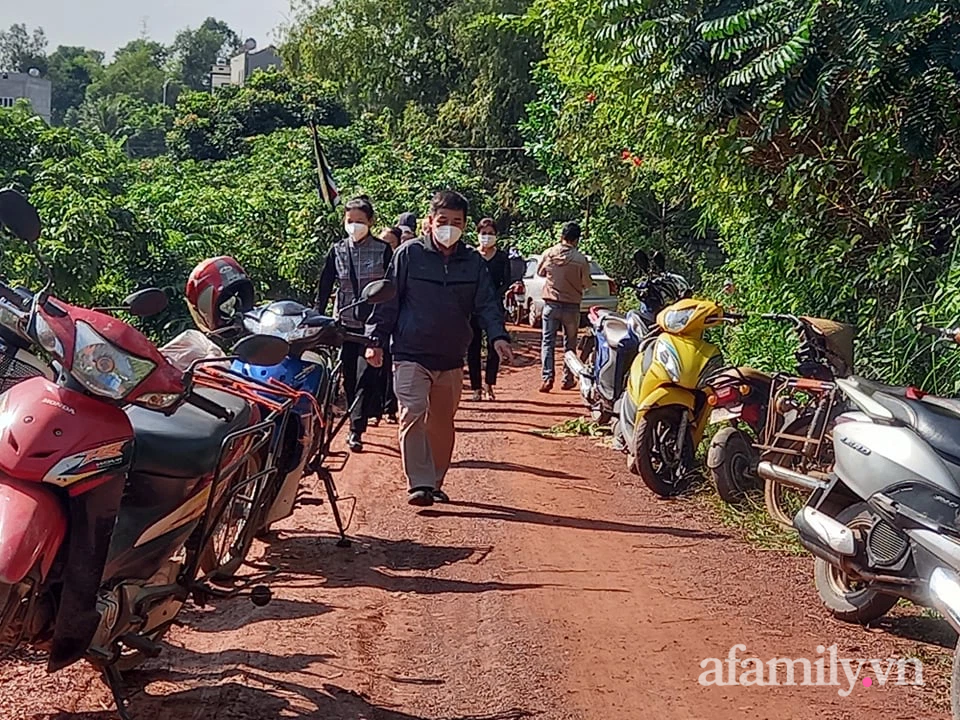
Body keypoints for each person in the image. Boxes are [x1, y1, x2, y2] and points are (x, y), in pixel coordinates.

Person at [366, 190, 514, 507]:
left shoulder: (473, 262)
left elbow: (487, 304)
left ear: (465, 225)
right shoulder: (408, 255)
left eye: (456, 222)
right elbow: (388, 300)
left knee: (442, 422)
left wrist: (499, 336)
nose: (449, 227)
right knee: (413, 413)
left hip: (450, 357)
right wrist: (375, 340)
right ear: (430, 221)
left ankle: (434, 481)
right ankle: (419, 483)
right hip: (410, 352)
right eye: (443, 221)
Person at [316, 195, 393, 452]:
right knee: (348, 378)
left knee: (365, 376)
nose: (355, 225)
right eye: (350, 221)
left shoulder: (383, 250)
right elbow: (326, 284)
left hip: (373, 326)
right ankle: (355, 419)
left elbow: (391, 288)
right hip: (344, 324)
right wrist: (318, 316)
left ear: (370, 222)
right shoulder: (337, 250)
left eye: (360, 221)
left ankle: (355, 429)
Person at [536, 221, 591, 393]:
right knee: (570, 345)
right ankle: (567, 378)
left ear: (562, 237)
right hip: (572, 307)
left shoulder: (548, 253)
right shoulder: (581, 260)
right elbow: (586, 283)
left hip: (551, 305)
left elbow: (539, 272)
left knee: (547, 342)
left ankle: (547, 377)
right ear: (576, 240)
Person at [467, 218, 510, 401]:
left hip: (495, 308)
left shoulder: (501, 258)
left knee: (495, 347)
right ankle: (476, 388)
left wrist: (493, 297)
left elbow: (506, 281)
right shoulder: (471, 256)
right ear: (478, 234)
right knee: (473, 347)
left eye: (491, 233)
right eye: (484, 233)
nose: (487, 237)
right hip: (472, 308)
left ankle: (489, 385)